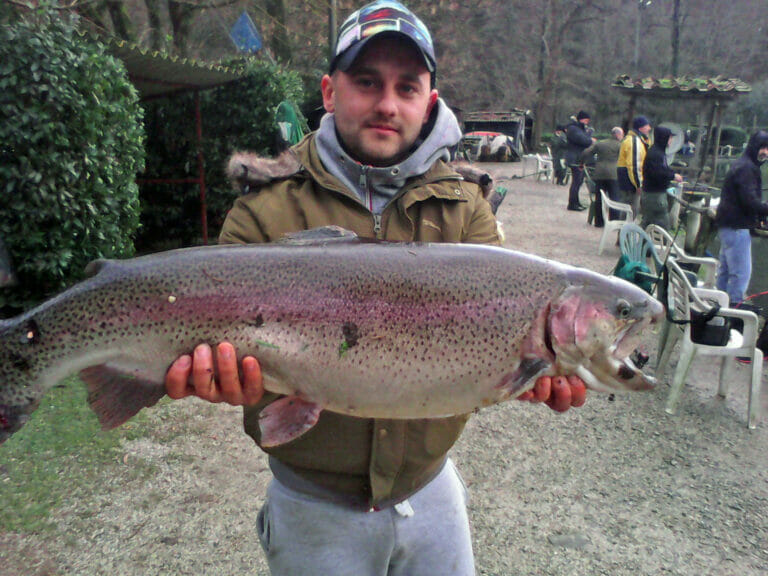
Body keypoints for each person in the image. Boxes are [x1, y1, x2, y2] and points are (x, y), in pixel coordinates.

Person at [164, 2, 588, 574]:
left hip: (432, 489)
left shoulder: (468, 213)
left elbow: (504, 346)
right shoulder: (260, 213)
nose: (388, 104)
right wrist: (225, 380)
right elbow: (230, 366)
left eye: (407, 87)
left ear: (429, 101)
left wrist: (536, 374)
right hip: (310, 505)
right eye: (367, 82)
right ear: (330, 91)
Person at [714, 130, 768, 305]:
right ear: (754, 146)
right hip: (736, 227)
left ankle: (719, 306)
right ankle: (734, 310)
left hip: (727, 225)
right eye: (763, 147)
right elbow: (749, 200)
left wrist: (760, 213)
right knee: (741, 274)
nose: (765, 152)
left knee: (725, 271)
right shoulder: (747, 169)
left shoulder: (742, 164)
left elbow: (746, 199)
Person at [640, 125, 683, 230]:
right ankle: (656, 245)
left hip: (651, 193)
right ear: (664, 138)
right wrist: (672, 176)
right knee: (661, 226)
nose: (672, 140)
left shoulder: (658, 152)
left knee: (648, 225)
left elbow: (663, 168)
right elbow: (658, 173)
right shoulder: (656, 154)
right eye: (670, 137)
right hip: (655, 196)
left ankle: (644, 245)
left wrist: (672, 173)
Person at [581, 126, 624, 227]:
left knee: (599, 197)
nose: (622, 137)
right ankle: (614, 220)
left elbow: (586, 152)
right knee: (614, 198)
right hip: (613, 175)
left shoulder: (600, 143)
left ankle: (598, 222)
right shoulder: (620, 145)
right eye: (622, 135)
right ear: (617, 135)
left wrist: (581, 163)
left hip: (599, 174)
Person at [617, 115, 652, 215]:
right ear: (641, 128)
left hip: (627, 181)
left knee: (628, 209)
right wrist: (639, 184)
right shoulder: (634, 141)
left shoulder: (636, 140)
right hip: (630, 183)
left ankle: (625, 229)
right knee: (630, 210)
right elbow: (634, 165)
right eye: (647, 126)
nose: (649, 128)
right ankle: (626, 229)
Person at [564, 110, 596, 211]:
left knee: (579, 181)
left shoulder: (577, 128)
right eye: (586, 120)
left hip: (578, 159)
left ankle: (576, 202)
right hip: (575, 159)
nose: (587, 123)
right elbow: (582, 140)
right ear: (581, 119)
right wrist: (591, 140)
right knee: (576, 182)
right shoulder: (573, 129)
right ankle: (572, 204)